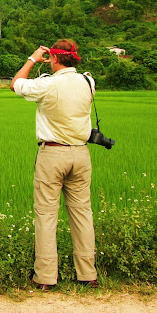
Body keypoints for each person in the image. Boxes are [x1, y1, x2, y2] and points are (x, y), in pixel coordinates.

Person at [10, 40, 98, 290]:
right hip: (81, 155)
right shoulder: (88, 82)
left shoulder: (48, 83)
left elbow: (15, 84)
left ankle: (46, 277)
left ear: (54, 58)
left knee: (47, 215)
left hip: (53, 154)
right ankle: (87, 274)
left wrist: (33, 58)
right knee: (82, 213)